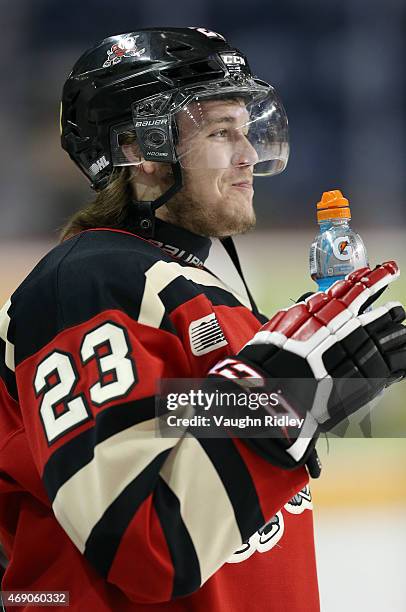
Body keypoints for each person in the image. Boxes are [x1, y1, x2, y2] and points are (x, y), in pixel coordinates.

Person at [0, 27, 405, 612]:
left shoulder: (205, 293)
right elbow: (143, 545)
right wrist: (277, 408)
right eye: (220, 132)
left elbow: (165, 415)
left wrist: (288, 399)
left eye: (247, 129)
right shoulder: (88, 283)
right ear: (140, 149)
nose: (248, 155)